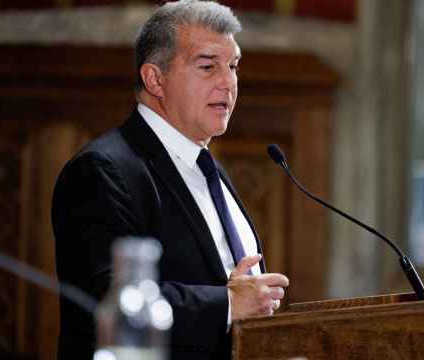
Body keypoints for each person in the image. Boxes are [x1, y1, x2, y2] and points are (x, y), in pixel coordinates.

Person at [51, 1, 289, 359]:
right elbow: (103, 299)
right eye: (208, 66)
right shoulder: (102, 170)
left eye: (234, 66)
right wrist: (226, 302)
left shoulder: (206, 168)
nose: (229, 81)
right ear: (155, 79)